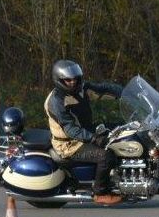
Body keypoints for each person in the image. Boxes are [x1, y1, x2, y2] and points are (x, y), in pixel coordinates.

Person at [43, 59, 124, 204]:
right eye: (68, 80)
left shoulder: (81, 89)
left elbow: (102, 89)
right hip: (69, 144)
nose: (73, 82)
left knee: (120, 131)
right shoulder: (57, 101)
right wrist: (94, 138)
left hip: (85, 132)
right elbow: (71, 130)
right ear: (59, 80)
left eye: (75, 78)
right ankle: (100, 192)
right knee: (105, 156)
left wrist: (125, 93)